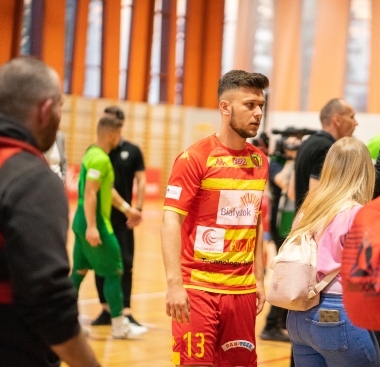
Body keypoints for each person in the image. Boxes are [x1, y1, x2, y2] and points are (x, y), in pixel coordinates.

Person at [0, 57, 99, 366]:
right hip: (2, 349)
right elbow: (47, 299)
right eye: (60, 106)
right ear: (46, 110)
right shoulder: (31, 179)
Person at [161, 70, 269, 367]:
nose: (258, 112)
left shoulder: (260, 161)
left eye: (261, 105)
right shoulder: (194, 158)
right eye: (250, 105)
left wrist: (259, 279)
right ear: (225, 107)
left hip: (243, 292)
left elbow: (255, 221)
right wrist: (174, 285)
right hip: (199, 290)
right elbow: (170, 220)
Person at [286, 136, 380, 367]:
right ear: (364, 172)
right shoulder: (358, 214)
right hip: (338, 313)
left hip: (299, 315)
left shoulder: (308, 209)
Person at [70, 115, 147, 339]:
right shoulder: (100, 159)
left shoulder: (93, 154)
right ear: (111, 135)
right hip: (95, 222)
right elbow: (91, 192)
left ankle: (66, 322)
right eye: (119, 134)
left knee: (79, 272)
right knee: (115, 271)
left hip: (81, 220)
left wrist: (126, 209)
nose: (120, 139)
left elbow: (106, 190)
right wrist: (93, 227)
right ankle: (119, 327)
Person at [92, 106, 147, 327]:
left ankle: (125, 311)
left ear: (120, 123)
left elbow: (141, 180)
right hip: (103, 217)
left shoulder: (132, 150)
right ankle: (106, 310)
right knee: (99, 264)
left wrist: (138, 209)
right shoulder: (97, 152)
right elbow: (102, 188)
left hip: (125, 219)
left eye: (111, 120)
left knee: (126, 263)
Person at [260, 130, 303, 342]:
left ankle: (279, 323)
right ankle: (270, 325)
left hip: (291, 223)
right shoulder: (275, 162)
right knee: (285, 276)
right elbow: (285, 184)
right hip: (279, 224)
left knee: (291, 274)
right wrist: (292, 160)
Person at [291, 98, 357, 210]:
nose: (356, 123)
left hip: (301, 223)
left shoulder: (307, 142)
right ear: (337, 120)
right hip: (317, 225)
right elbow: (316, 197)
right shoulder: (328, 148)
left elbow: (292, 192)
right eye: (351, 117)